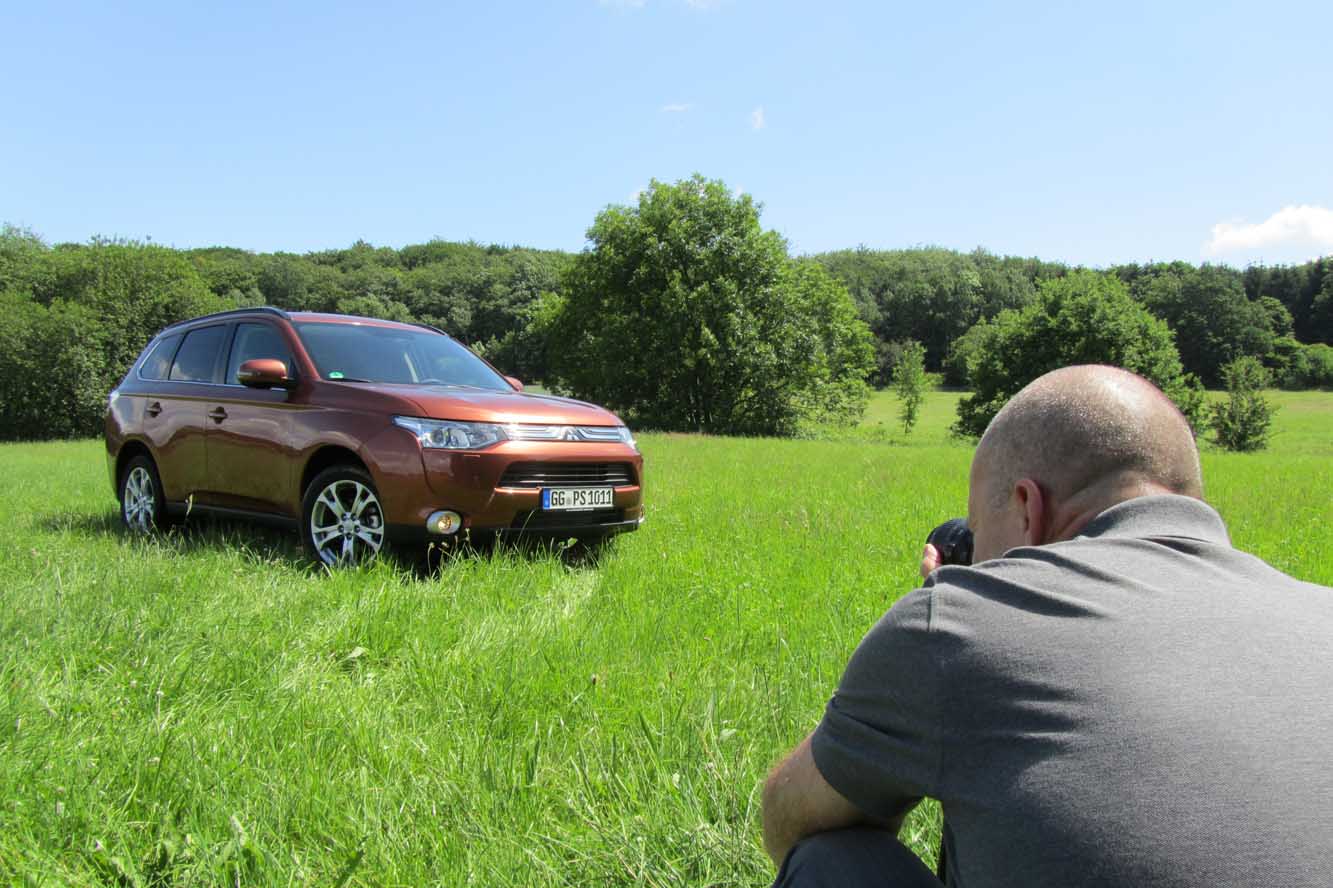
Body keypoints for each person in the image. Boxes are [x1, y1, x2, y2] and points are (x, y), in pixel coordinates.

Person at [761, 364, 1333, 887]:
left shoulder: (958, 624)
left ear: (1028, 507)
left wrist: (944, 626)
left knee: (830, 857)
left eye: (982, 530)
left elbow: (788, 820)